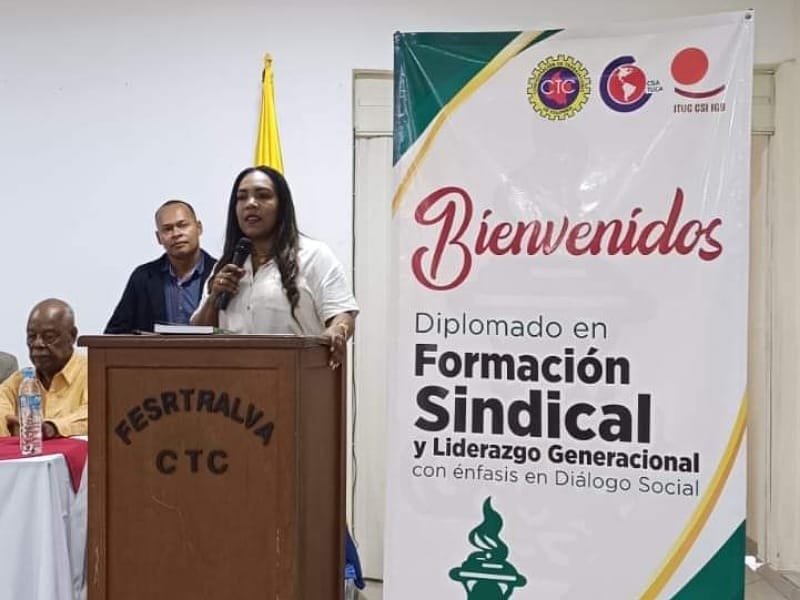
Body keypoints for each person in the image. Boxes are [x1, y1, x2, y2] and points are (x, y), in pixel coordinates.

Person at [191, 166, 358, 369]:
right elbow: (197, 336)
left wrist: (337, 330)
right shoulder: (226, 264)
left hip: (295, 377)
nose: (250, 203)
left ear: (282, 205)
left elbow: (343, 314)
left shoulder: (313, 255)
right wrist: (214, 298)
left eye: (263, 195)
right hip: (233, 382)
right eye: (241, 198)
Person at [105, 200, 216, 333]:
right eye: (167, 229)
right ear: (159, 237)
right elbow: (114, 333)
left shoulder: (220, 272)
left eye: (182, 225)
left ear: (199, 228)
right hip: (153, 348)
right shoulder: (143, 277)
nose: (176, 234)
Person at [0, 299, 87, 438]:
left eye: (49, 337)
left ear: (72, 336)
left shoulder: (94, 373)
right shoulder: (21, 380)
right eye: (31, 337)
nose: (37, 344)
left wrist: (52, 428)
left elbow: (97, 414)